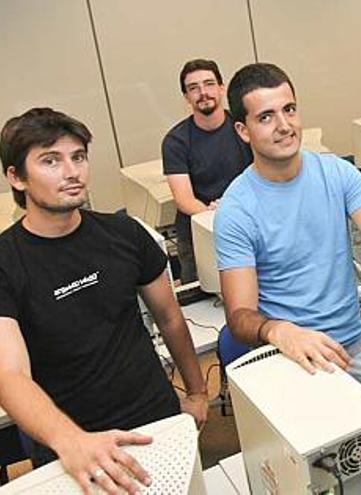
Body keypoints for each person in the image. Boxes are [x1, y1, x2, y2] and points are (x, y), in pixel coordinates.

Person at [0, 108, 208, 494]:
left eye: (78, 157)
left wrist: (196, 393)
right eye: (51, 161)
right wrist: (71, 441)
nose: (72, 171)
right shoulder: (7, 262)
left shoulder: (123, 233)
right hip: (73, 444)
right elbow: (9, 374)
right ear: (16, 177)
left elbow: (170, 318)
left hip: (155, 423)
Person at [215, 63, 361, 395]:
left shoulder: (336, 173)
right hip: (290, 355)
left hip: (350, 345)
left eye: (290, 110)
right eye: (266, 117)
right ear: (243, 130)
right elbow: (240, 315)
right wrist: (279, 331)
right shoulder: (236, 210)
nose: (284, 126)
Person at [162, 59, 253, 284]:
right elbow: (183, 199)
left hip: (247, 220)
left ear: (221, 88)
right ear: (186, 97)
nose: (203, 92)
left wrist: (231, 209)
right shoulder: (176, 141)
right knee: (203, 303)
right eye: (194, 88)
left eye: (209, 84)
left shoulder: (244, 125)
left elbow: (263, 171)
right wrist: (215, 216)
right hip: (198, 230)